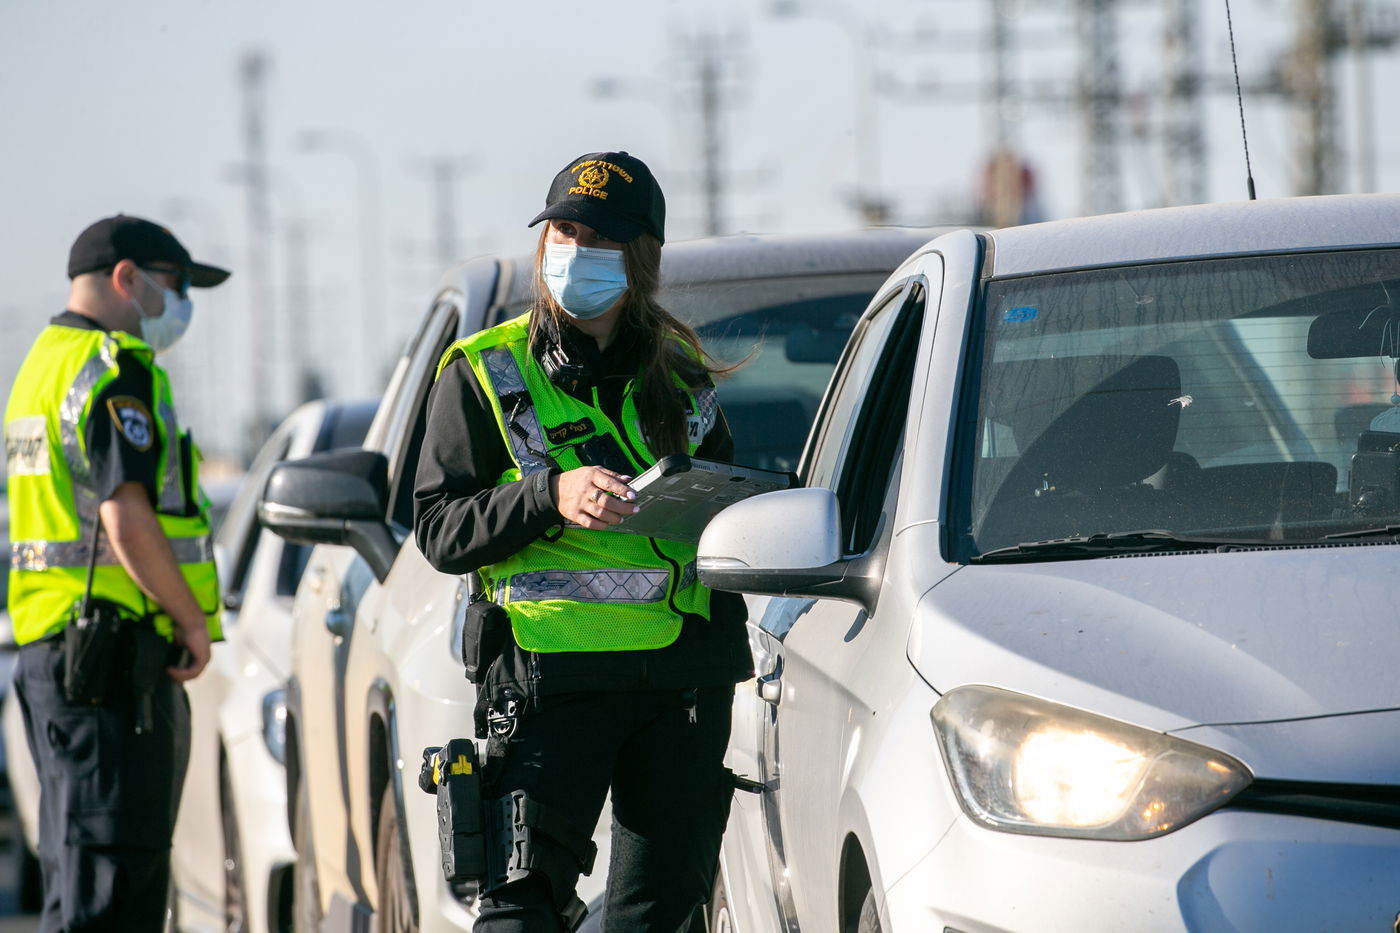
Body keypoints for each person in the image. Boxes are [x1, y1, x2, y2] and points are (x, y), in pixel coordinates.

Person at [414, 151, 753, 932]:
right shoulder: (485, 370)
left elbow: (728, 516)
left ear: (641, 257)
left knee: (657, 917)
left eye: (597, 236)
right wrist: (548, 495)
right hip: (547, 682)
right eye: (562, 229)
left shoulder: (685, 379)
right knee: (518, 914)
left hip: (683, 682)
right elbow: (438, 526)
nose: (572, 248)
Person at [4, 214, 228, 931]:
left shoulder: (41, 363)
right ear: (126, 278)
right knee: (114, 886)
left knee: (81, 873)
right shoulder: (111, 367)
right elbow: (125, 514)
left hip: (56, 655)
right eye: (176, 285)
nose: (181, 302)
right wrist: (189, 621)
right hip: (108, 664)